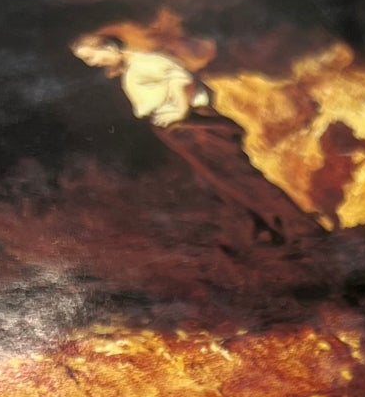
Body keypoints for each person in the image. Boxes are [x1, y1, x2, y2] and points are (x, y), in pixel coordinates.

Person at [72, 29, 320, 245]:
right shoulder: (132, 67)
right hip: (178, 129)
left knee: (238, 177)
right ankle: (265, 233)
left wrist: (180, 111)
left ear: (109, 47)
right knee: (217, 183)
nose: (91, 63)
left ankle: (302, 229)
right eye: (85, 60)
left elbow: (182, 80)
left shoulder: (147, 62)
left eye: (91, 57)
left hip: (194, 125)